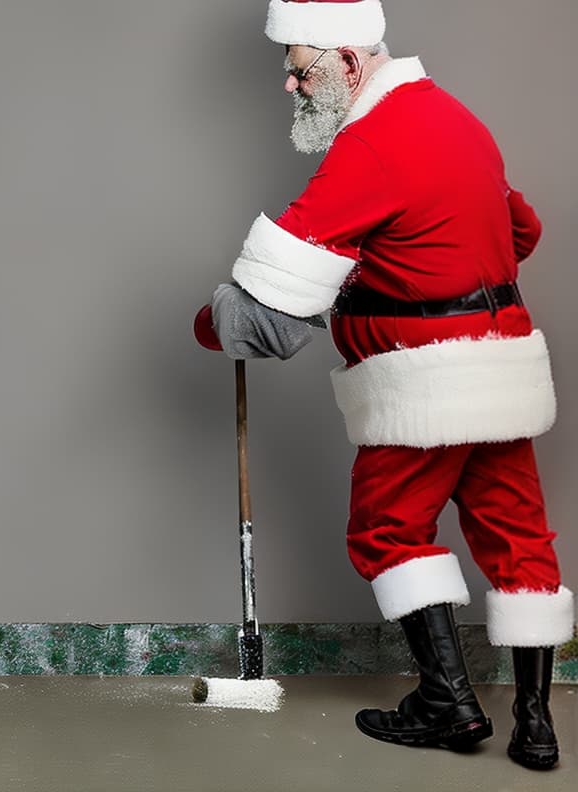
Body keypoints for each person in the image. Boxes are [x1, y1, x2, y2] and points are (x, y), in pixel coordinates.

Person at [194, 0, 574, 771]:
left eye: (300, 70)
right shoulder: (457, 118)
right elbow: (519, 230)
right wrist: (412, 264)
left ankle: (449, 705)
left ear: (349, 61)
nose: (292, 87)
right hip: (502, 365)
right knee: (519, 539)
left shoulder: (369, 146)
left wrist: (212, 322)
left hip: (424, 383)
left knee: (389, 530)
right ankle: (536, 725)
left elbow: (268, 308)